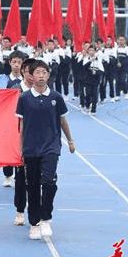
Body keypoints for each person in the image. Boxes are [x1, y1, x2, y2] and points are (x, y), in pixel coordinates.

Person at [16, 60, 76, 240]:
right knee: (32, 186)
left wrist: (70, 140)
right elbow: (21, 125)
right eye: (38, 72)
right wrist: (19, 149)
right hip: (30, 147)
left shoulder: (56, 97)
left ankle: (46, 218)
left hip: (51, 146)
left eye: (44, 72)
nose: (41, 75)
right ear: (31, 76)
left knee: (48, 182)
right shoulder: (24, 98)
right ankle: (34, 223)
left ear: (48, 76)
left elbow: (63, 121)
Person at [9, 58, 36, 226]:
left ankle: (36, 212)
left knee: (37, 179)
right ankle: (20, 210)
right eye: (30, 72)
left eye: (37, 72)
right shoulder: (15, 91)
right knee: (20, 178)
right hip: (20, 139)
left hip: (39, 140)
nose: (33, 76)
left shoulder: (44, 91)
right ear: (24, 72)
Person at [3, 51, 25, 187]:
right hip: (7, 118)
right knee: (8, 145)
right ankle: (7, 174)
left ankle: (20, 175)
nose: (16, 65)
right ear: (10, 63)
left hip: (23, 118)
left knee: (21, 146)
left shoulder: (27, 81)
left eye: (19, 62)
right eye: (14, 62)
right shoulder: (4, 81)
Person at [82, 45, 104, 115]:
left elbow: (102, 71)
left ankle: (93, 110)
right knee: (88, 94)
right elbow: (84, 68)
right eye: (90, 50)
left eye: (92, 50)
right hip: (87, 80)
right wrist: (90, 61)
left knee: (95, 95)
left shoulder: (98, 60)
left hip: (95, 81)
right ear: (88, 51)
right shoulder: (86, 59)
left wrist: (96, 72)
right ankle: (88, 106)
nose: (91, 52)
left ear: (95, 51)